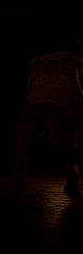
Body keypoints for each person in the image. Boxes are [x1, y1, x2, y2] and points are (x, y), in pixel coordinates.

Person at [11, 48, 83, 198]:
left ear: (44, 134)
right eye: (63, 145)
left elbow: (18, 156)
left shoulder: (31, 115)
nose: (58, 145)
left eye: (57, 146)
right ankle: (73, 175)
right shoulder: (74, 113)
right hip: (72, 50)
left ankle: (73, 175)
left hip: (41, 50)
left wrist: (21, 192)